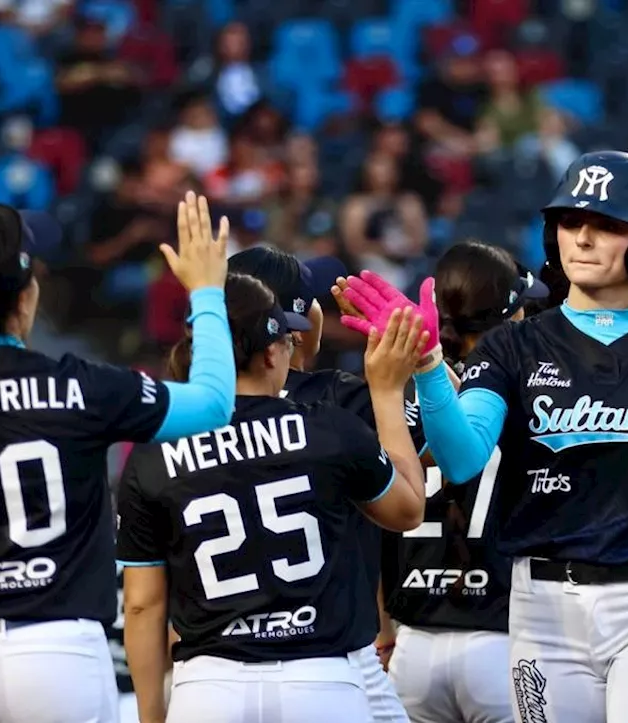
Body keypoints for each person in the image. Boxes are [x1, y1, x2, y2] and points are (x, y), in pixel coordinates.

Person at [341, 151, 628, 723]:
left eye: (606, 225)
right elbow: (462, 459)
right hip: (542, 610)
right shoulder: (513, 347)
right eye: (570, 221)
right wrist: (432, 368)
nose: (582, 238)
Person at [0, 192, 238, 723]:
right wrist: (207, 293)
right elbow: (212, 403)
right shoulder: (82, 386)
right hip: (55, 656)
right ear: (25, 296)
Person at [117, 274, 429, 723]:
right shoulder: (329, 428)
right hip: (321, 682)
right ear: (270, 351)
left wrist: (151, 715)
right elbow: (408, 509)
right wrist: (384, 391)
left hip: (207, 687)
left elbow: (143, 604)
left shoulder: (153, 454)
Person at [228, 244, 418, 723]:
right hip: (331, 654)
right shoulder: (341, 404)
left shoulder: (187, 411)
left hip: (211, 661)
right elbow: (448, 444)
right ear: (300, 319)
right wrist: (417, 357)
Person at [377, 241, 548, 723]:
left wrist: (385, 630)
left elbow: (376, 522)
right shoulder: (534, 392)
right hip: (505, 637)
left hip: (413, 641)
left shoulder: (401, 393)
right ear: (508, 316)